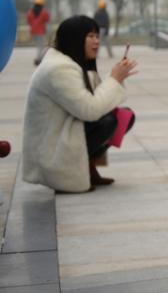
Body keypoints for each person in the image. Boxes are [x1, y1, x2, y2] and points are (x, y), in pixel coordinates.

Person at [22, 16, 137, 193]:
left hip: (63, 134)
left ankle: (88, 166)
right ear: (74, 38)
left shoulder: (71, 63)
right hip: (52, 151)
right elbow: (90, 110)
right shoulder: (58, 68)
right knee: (109, 121)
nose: (96, 41)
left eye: (97, 36)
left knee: (124, 116)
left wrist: (116, 77)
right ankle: (69, 172)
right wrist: (114, 78)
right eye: (90, 36)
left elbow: (96, 102)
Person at [26, 0, 50, 66]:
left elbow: (28, 21)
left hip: (33, 32)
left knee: (38, 46)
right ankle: (38, 59)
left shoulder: (30, 12)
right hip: (41, 32)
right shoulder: (44, 12)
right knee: (41, 46)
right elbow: (47, 20)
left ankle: (39, 59)